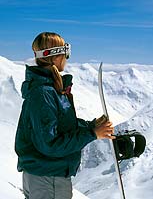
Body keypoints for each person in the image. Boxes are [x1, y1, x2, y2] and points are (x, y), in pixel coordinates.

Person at [14, 32, 116, 199]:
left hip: (45, 175)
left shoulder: (49, 89)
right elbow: (50, 144)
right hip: (48, 177)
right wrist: (92, 134)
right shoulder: (44, 93)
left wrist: (91, 126)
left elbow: (61, 125)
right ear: (55, 57)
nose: (67, 58)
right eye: (65, 53)